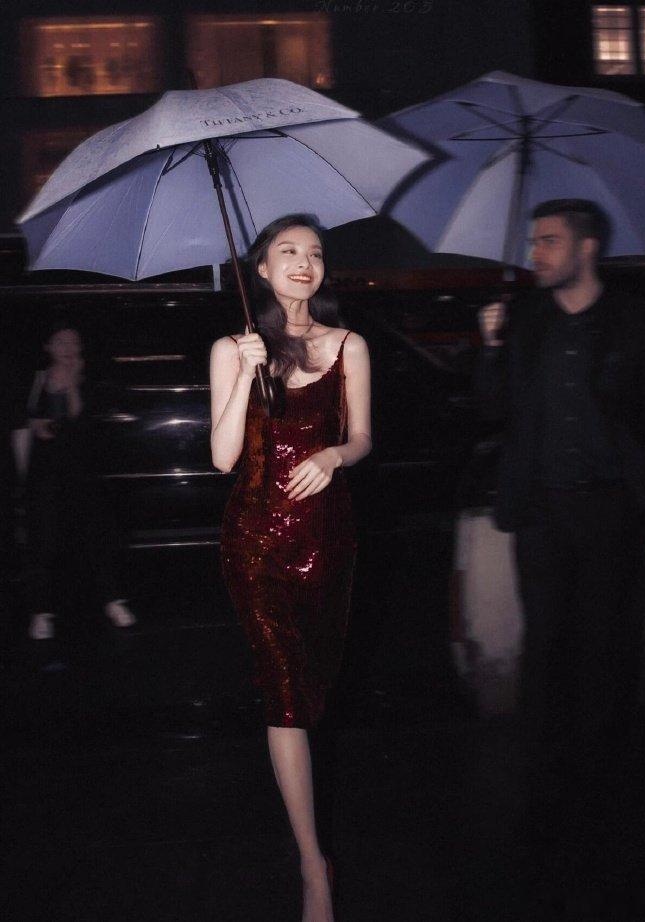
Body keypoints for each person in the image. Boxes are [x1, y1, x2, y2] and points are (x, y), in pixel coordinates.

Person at [476, 200, 645, 863]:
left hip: (613, 512)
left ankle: (605, 790)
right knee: (545, 648)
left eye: (549, 241)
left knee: (607, 649)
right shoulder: (525, 320)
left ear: (587, 247)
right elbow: (491, 411)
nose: (536, 253)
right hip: (541, 512)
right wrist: (490, 347)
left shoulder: (639, 324)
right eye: (534, 241)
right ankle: (543, 791)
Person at [209, 214, 372, 922]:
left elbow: (362, 437)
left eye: (315, 253)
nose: (305, 262)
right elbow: (222, 458)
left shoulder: (348, 344)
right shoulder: (232, 348)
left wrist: (334, 455)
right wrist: (246, 375)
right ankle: (313, 866)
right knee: (281, 694)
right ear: (261, 269)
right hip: (253, 541)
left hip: (327, 538)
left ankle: (315, 854)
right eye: (288, 251)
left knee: (315, 691)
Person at [22, 321, 136, 640]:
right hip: (45, 472)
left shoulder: (89, 377)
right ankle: (41, 612)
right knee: (44, 540)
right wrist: (36, 427)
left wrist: (72, 382)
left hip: (83, 471)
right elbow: (28, 420)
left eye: (73, 342)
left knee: (95, 536)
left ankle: (113, 602)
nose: (68, 348)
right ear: (48, 347)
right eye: (61, 342)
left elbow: (80, 417)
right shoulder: (38, 378)